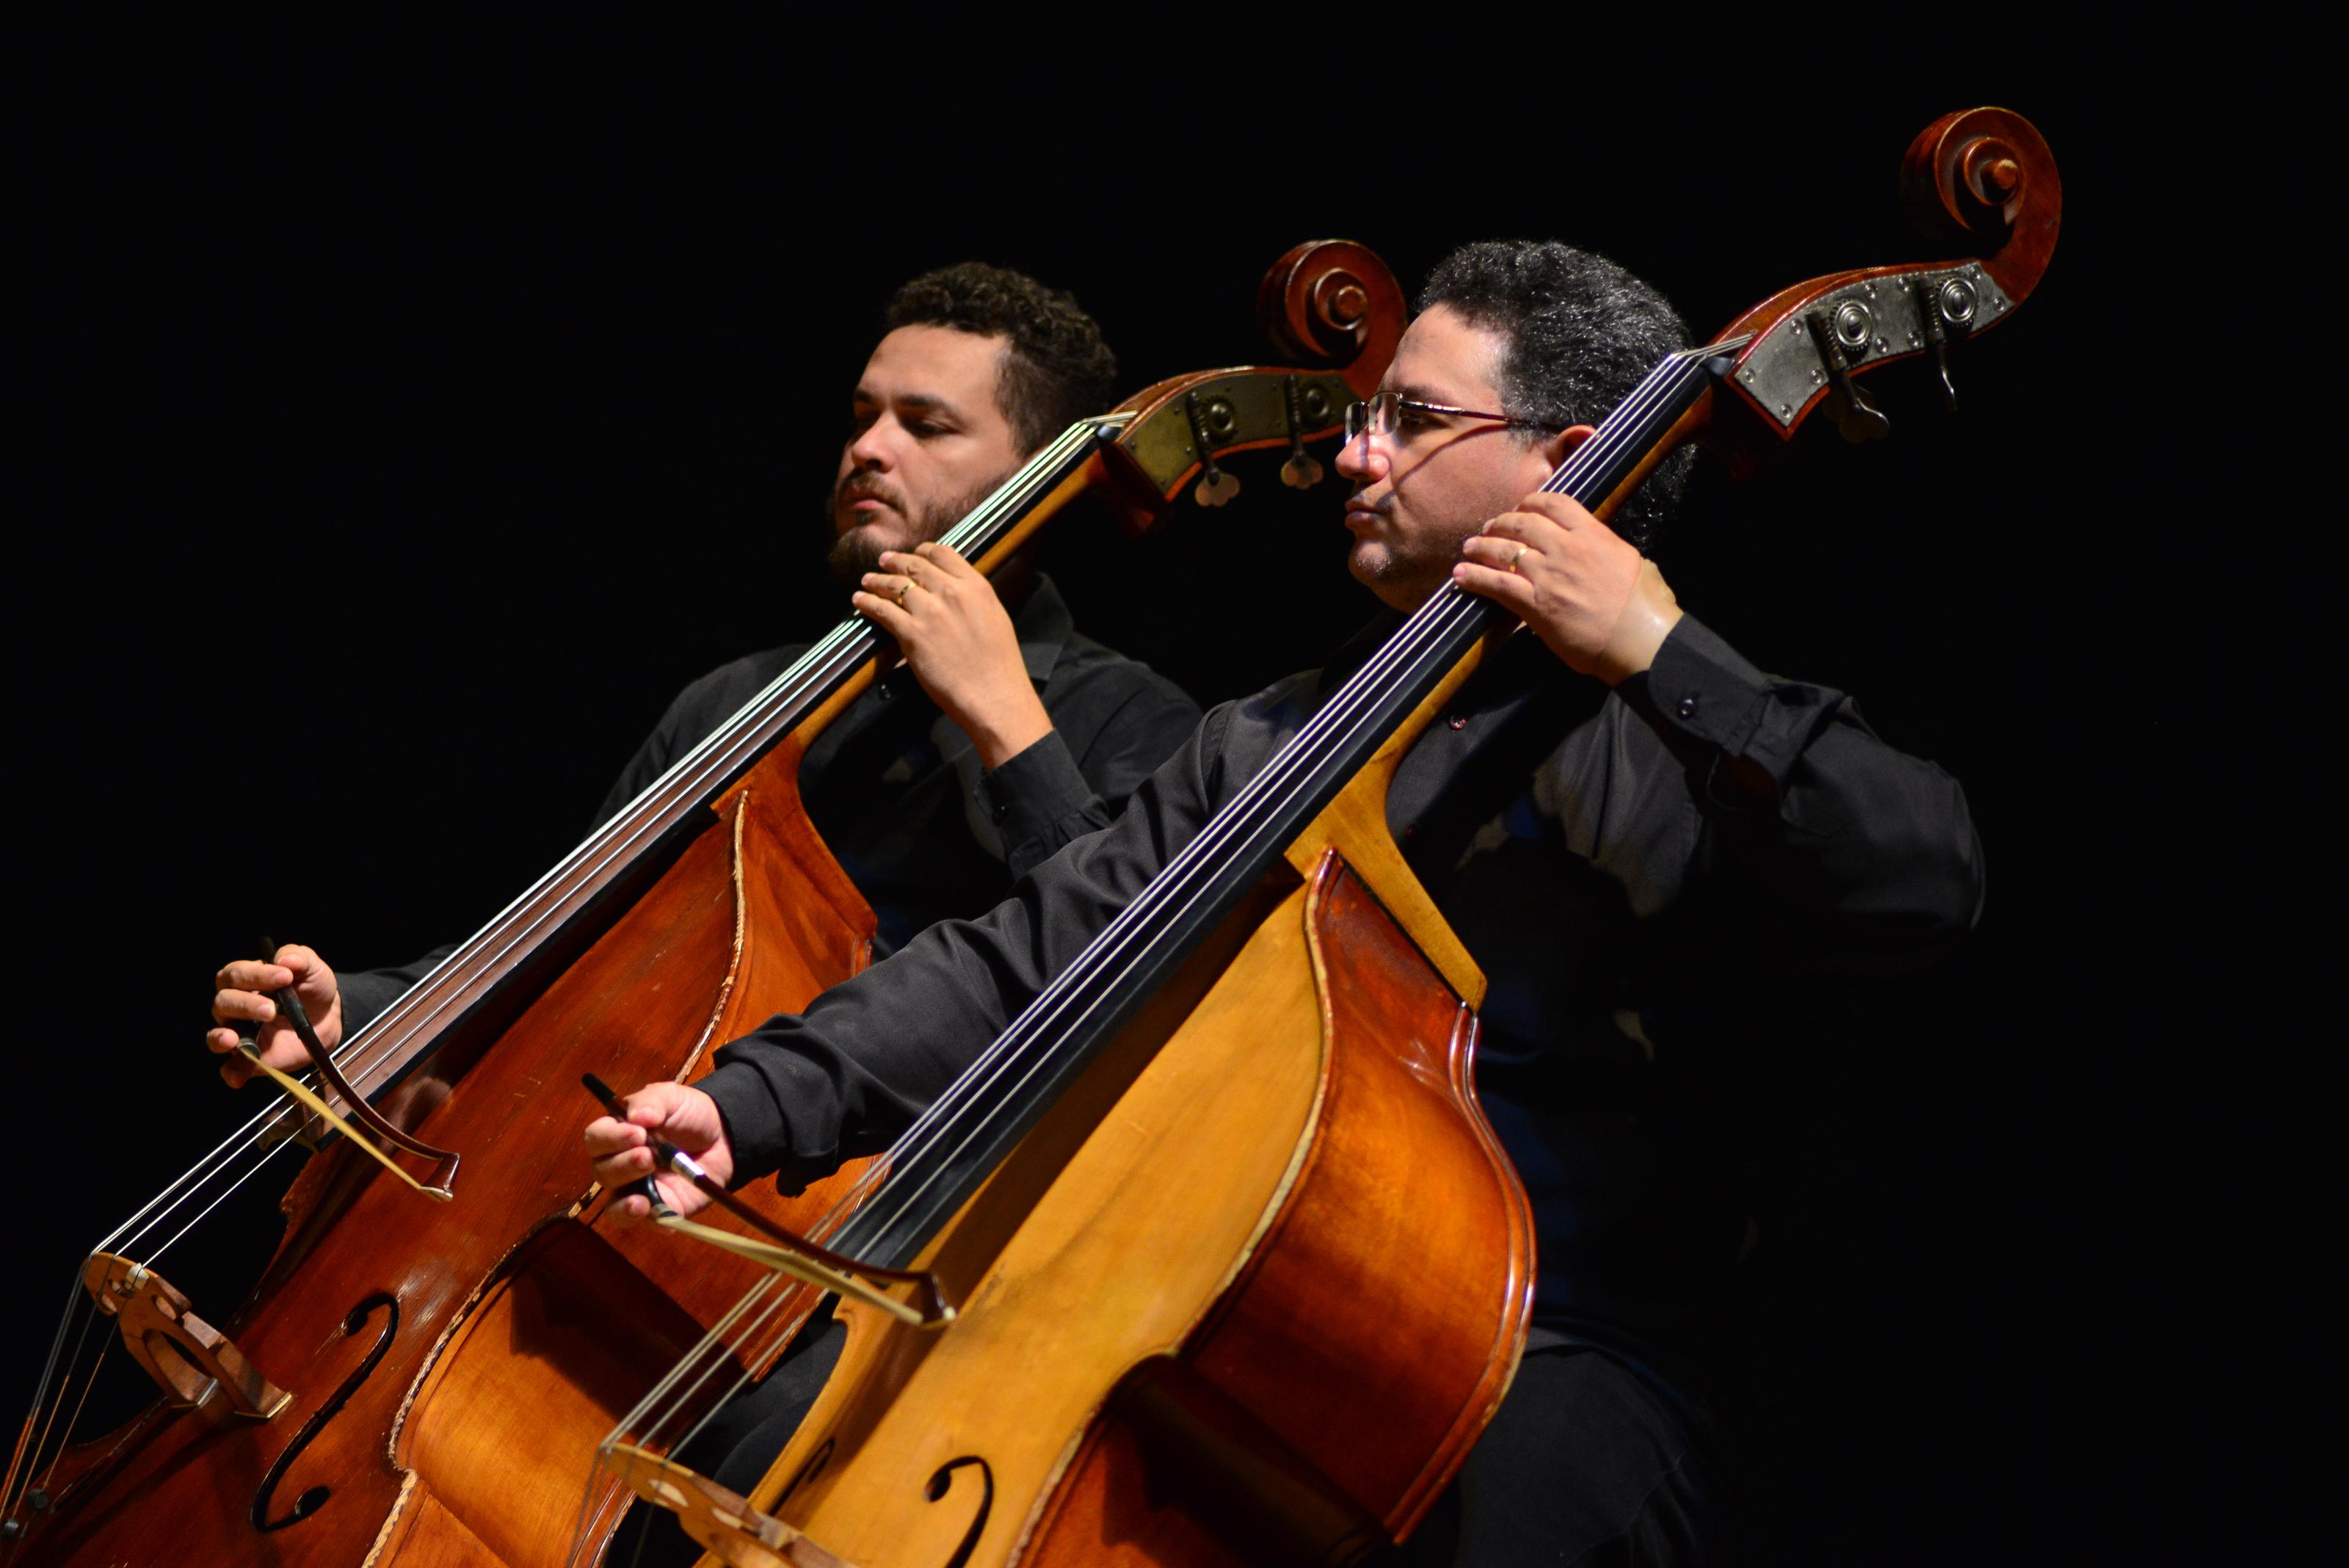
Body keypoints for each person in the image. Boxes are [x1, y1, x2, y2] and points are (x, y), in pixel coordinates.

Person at [587, 241, 1985, 1565]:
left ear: (1562, 462)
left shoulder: (1680, 739)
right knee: (769, 1441)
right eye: (1364, 414)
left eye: (1411, 419)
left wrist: (1662, 649)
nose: (1353, 451)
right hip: (1206, 1308)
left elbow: (1920, 880)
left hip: (1552, 1343)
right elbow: (1040, 951)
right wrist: (751, 1102)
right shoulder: (1271, 740)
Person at [206, 263, 1200, 1085]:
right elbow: (561, 940)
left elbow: (1122, 973)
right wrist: (369, 1016)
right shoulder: (735, 701)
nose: (866, 448)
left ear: (1041, 473)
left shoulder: (1126, 717)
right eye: (862, 415)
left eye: (925, 426)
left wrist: (1004, 722)